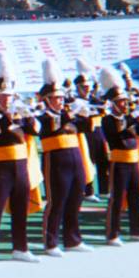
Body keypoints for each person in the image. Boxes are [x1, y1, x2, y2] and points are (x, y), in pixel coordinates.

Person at [0, 53, 42, 267]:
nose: (7, 98)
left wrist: (28, 117)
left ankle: (20, 247)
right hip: (1, 165)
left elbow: (35, 131)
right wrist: (8, 119)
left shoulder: (20, 113)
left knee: (20, 207)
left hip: (21, 164)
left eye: (10, 95)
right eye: (3, 95)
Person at [35, 59, 94, 256]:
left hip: (75, 157)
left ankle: (73, 240)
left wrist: (85, 114)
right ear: (46, 99)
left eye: (61, 98)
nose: (60, 101)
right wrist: (72, 116)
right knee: (57, 201)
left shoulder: (68, 113)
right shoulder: (43, 116)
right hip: (56, 160)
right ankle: (50, 242)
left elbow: (86, 127)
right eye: (55, 98)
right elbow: (54, 125)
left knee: (75, 199)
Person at [100, 66, 139, 245]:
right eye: (120, 102)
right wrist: (135, 119)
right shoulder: (108, 120)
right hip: (119, 163)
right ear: (112, 103)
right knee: (117, 200)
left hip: (133, 162)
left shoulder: (128, 118)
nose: (124, 104)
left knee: (136, 196)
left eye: (124, 101)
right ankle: (112, 234)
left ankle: (137, 230)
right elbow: (119, 132)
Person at [73, 59, 108, 201]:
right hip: (86, 133)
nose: (86, 89)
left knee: (103, 160)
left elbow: (104, 107)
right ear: (78, 87)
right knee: (88, 161)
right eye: (83, 86)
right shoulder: (75, 101)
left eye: (87, 86)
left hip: (99, 131)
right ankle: (89, 191)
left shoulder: (94, 99)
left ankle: (105, 190)